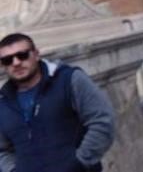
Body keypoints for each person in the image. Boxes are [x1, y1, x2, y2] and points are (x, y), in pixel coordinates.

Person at [0, 33, 115, 172]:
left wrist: (79, 163)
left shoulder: (69, 80)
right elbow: (3, 150)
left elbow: (102, 121)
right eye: (7, 60)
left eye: (22, 55)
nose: (16, 62)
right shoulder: (3, 102)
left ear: (36, 55)